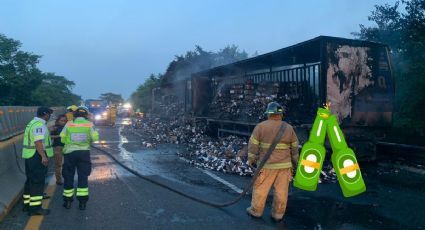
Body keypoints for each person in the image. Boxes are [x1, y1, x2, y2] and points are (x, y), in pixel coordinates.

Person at [246, 102, 299, 222]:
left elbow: (253, 145)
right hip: (285, 167)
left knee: (261, 189)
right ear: (281, 114)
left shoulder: (261, 126)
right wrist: (295, 162)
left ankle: (256, 211)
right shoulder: (289, 128)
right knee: (281, 192)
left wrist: (251, 160)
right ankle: (278, 214)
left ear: (268, 114)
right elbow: (295, 147)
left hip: (267, 166)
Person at [60, 106, 99, 210]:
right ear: (86, 115)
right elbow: (95, 137)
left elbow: (62, 138)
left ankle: (67, 201)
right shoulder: (89, 124)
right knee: (83, 176)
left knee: (68, 176)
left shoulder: (69, 124)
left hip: (69, 153)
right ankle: (82, 203)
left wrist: (70, 142)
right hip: (84, 153)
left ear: (75, 115)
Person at [22, 107, 54, 216]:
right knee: (37, 182)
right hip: (36, 156)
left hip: (30, 156)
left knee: (30, 181)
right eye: (49, 114)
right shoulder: (39, 125)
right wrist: (43, 156)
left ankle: (27, 205)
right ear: (45, 114)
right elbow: (38, 142)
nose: (50, 116)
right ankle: (35, 208)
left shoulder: (32, 122)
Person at [50, 114, 67, 185]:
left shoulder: (68, 127)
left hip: (67, 147)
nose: (63, 122)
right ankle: (59, 180)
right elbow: (50, 137)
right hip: (58, 147)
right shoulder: (55, 128)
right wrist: (59, 136)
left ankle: (67, 178)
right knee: (58, 164)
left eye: (65, 121)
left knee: (67, 164)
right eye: (62, 120)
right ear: (58, 121)